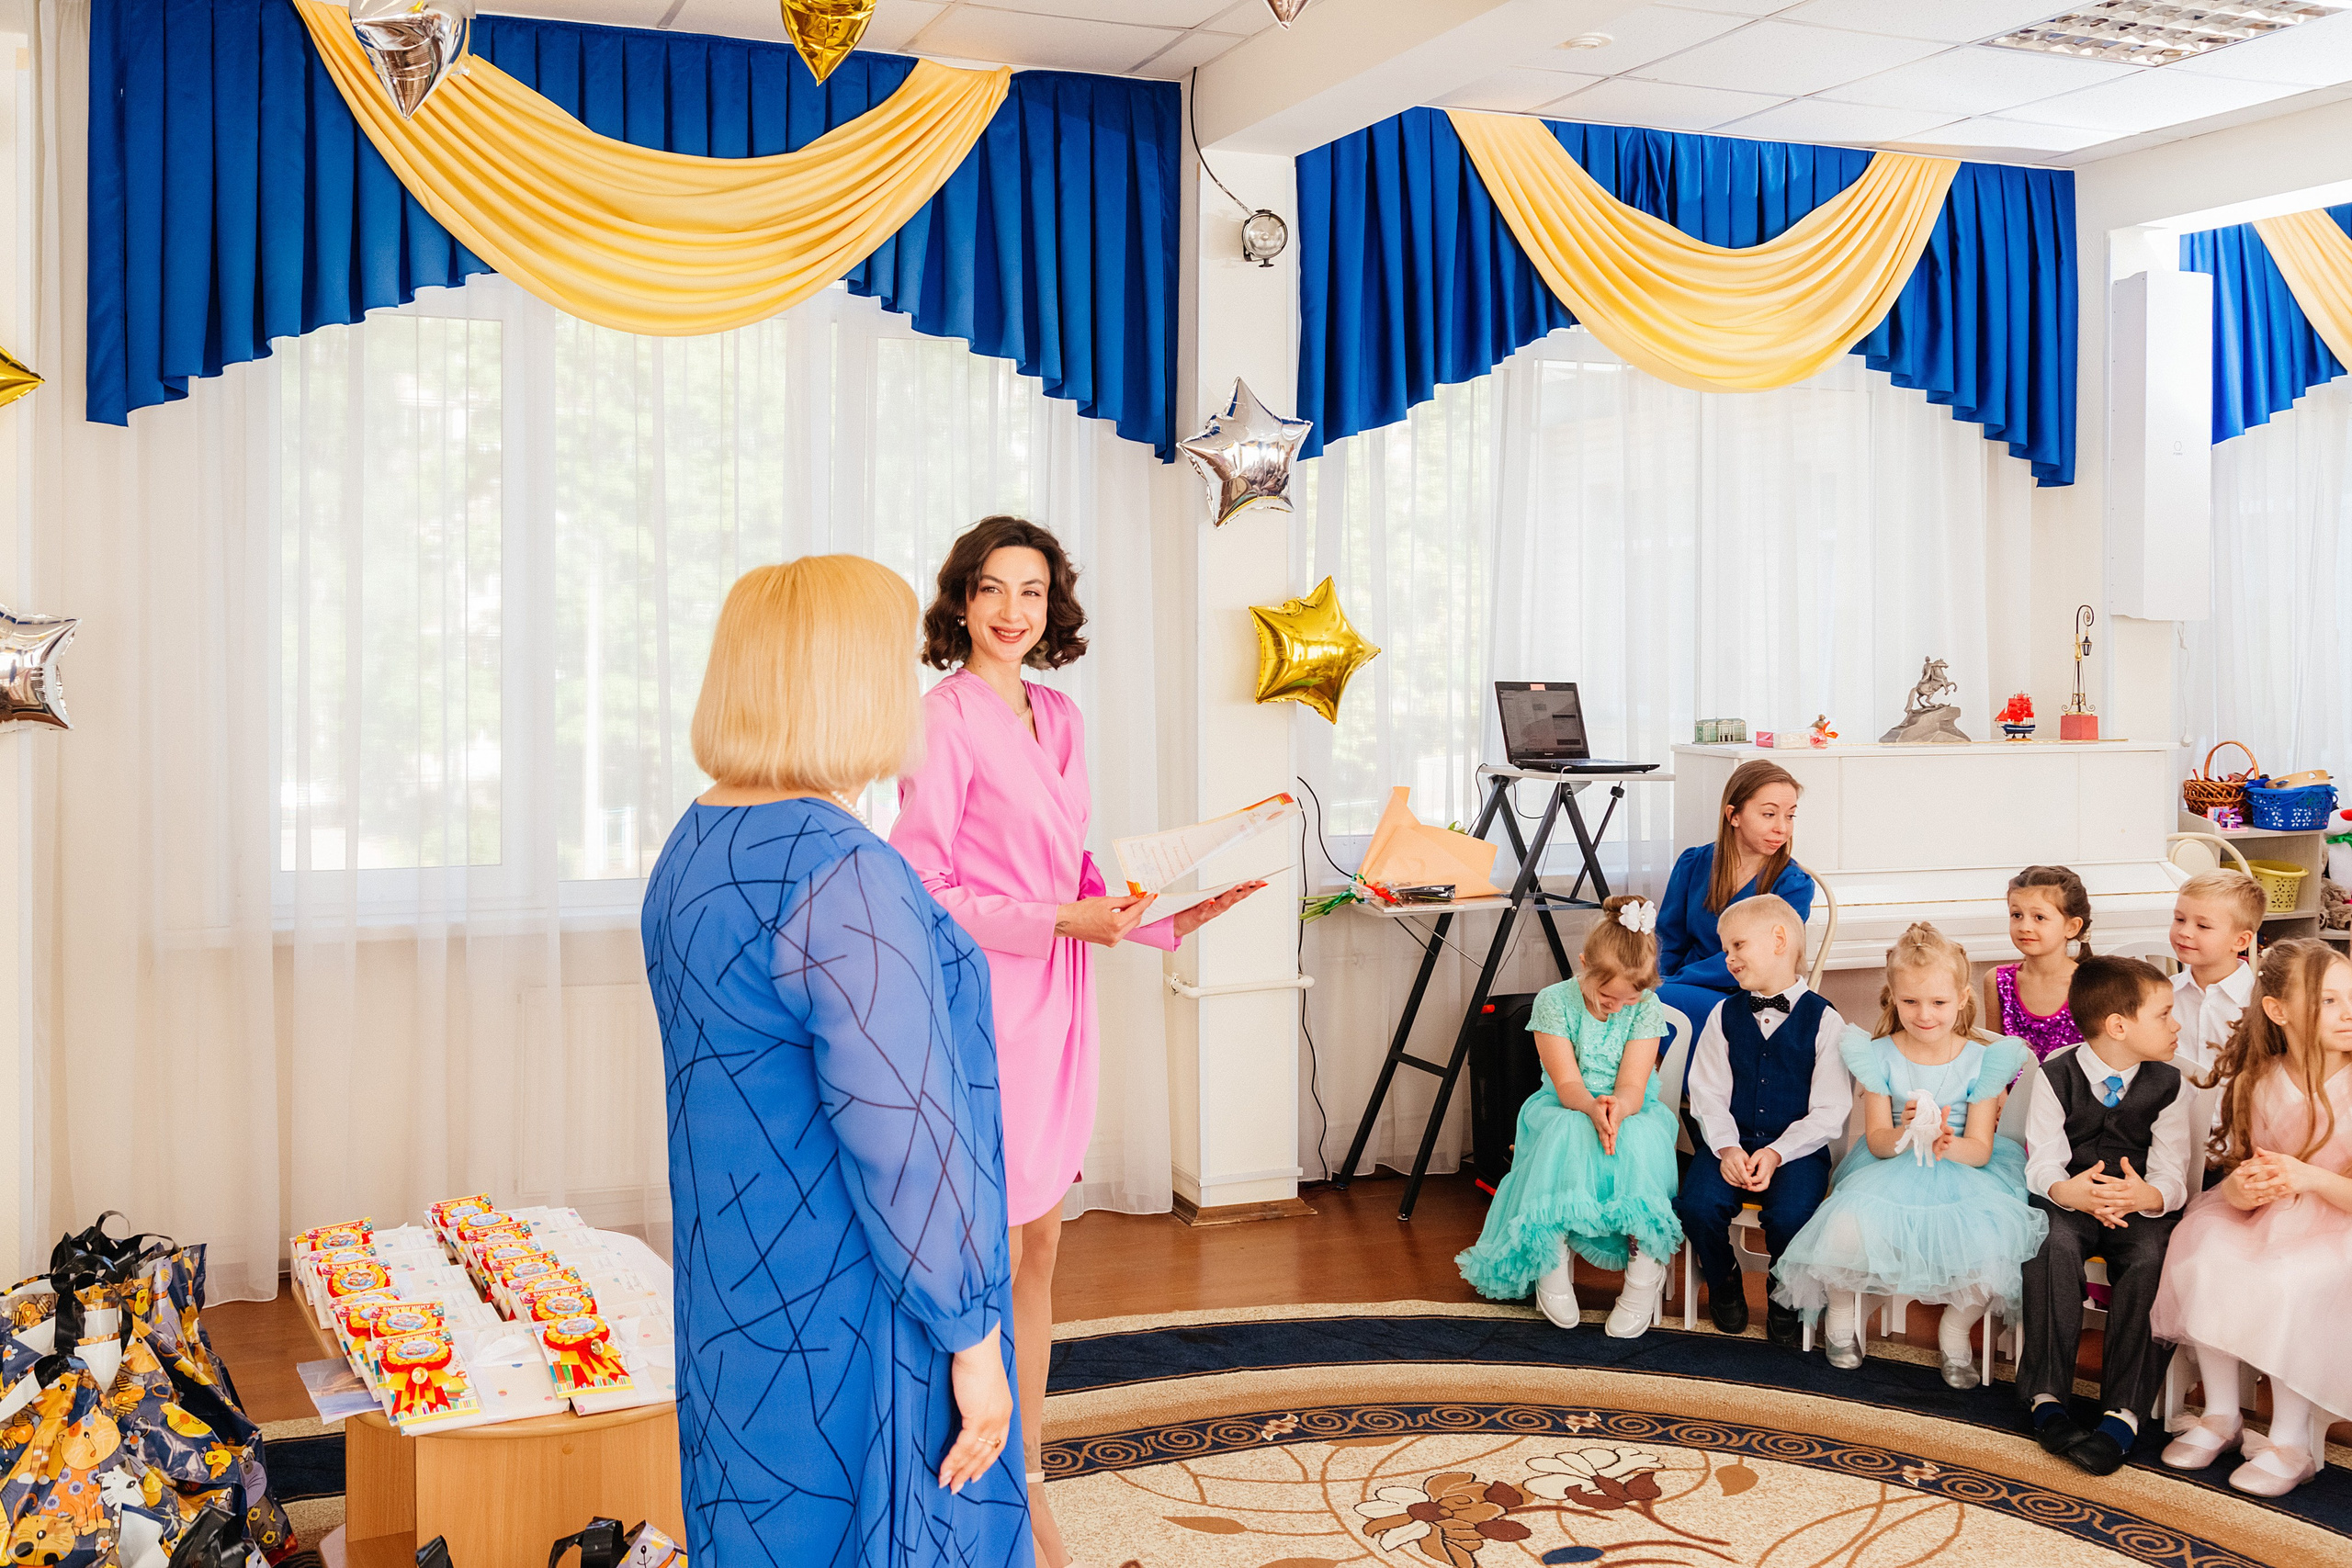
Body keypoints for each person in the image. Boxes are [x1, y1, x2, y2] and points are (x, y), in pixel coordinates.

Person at [641, 557, 1031, 1567]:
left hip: (736, 1290)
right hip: (854, 1304)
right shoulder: (843, 868)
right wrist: (973, 1342)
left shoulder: (693, 842)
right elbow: (903, 1141)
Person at [890, 516, 1261, 1568]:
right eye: (995, 590)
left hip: (1061, 998)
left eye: (1034, 594)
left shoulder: (1060, 715)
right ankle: (976, 1450)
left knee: (1045, 1243)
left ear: (1054, 610)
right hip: (985, 999)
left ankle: (1030, 1459)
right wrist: (1062, 920)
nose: (1014, 611)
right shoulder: (940, 720)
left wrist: (1161, 919)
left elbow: (1076, 871)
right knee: (990, 1247)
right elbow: (922, 887)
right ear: (960, 600)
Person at [1772, 923, 2046, 1387]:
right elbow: (1877, 1141)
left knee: (1988, 1242)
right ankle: (1842, 1316)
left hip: (1962, 1167)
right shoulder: (1875, 1054)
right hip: (1890, 1165)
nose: (1924, 1015)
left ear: (1961, 998)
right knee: (1843, 1226)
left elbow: (1979, 1151)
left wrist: (1945, 1139)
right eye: (1910, 1002)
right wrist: (1904, 1128)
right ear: (1893, 997)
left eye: (1938, 1003)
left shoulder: (1985, 1059)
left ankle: (1955, 1332)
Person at [2153, 940, 2352, 1498]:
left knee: (2291, 1282)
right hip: (2270, 1215)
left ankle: (2291, 1441)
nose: (2349, 1013)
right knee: (2205, 1250)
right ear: (2279, 1012)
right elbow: (2244, 1169)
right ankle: (2221, 1414)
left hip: (2339, 1221)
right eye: (2329, 1002)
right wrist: (2239, 1191)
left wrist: (2309, 1178)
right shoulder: (2259, 1080)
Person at [1456, 897, 1683, 1337]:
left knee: (1636, 1141)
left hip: (1630, 1107)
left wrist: (1618, 1107)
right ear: (1584, 966)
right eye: (1606, 996)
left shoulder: (1646, 1007)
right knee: (1567, 1132)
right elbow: (1567, 1085)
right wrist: (1591, 1108)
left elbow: (1634, 1085)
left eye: (1629, 999)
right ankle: (1551, 1260)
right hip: (1566, 1103)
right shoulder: (1553, 1002)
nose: (1617, 1007)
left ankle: (1642, 1278)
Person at [2018, 956, 2193, 1477]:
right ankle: (2046, 1398)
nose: (2176, 1024)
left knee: (2150, 1259)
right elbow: (2042, 1162)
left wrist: (2146, 1197)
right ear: (2119, 1026)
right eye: (2164, 1014)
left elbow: (2173, 1175)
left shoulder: (2170, 1084)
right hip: (2071, 1199)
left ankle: (2124, 1413)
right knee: (2051, 1246)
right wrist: (2065, 1189)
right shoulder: (2055, 1073)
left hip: (2137, 1206)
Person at [1676, 895, 1852, 1348]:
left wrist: (1776, 1152)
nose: (1728, 959)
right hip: (1730, 1142)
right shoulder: (1724, 1014)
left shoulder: (1825, 1020)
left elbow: (1830, 1110)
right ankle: (1724, 1278)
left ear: (1778, 940)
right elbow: (1707, 1094)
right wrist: (1728, 1147)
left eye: (1736, 946)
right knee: (1696, 1206)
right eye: (1725, 950)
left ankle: (1784, 1294)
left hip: (1795, 1150)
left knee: (1793, 1215)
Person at [1656, 761, 1814, 1029]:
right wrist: (1651, 980)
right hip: (1680, 986)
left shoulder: (1792, 885)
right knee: (1618, 996)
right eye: (1769, 814)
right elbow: (1668, 942)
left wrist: (1669, 984)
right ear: (1734, 815)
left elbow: (1757, 961)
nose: (1782, 828)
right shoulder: (1693, 864)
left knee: (1643, 1002)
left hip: (1748, 999)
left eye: (1790, 816)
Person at [1984, 865, 2092, 1061]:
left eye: (2039, 917)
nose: (2025, 927)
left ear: (2072, 927)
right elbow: (1994, 1058)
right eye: (2017, 915)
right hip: (2013, 1092)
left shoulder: (2090, 985)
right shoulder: (1997, 981)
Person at [2169, 870, 2262, 1089]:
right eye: (2179, 919)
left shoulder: (2257, 1003)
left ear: (2240, 941)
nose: (2185, 932)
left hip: (2236, 1120)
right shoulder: (2164, 994)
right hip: (2173, 1120)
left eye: (2203, 926)